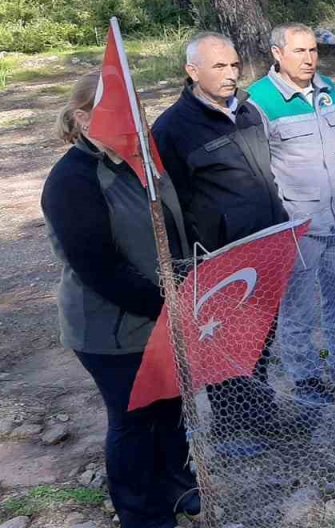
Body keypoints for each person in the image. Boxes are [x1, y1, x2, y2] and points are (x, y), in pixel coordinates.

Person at [42, 73, 200, 528]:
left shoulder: (143, 161)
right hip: (110, 328)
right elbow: (99, 268)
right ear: (82, 118)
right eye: (117, 113)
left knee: (170, 405)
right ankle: (140, 511)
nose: (132, 124)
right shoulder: (71, 180)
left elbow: (172, 228)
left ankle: (176, 483)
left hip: (162, 314)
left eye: (135, 113)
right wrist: (165, 304)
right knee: (134, 418)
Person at [152, 32, 290, 455]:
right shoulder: (173, 128)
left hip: (267, 242)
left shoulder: (247, 110)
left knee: (261, 335)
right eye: (219, 67)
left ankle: (260, 413)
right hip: (219, 256)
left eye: (234, 65)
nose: (231, 75)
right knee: (224, 343)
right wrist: (184, 265)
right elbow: (170, 204)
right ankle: (230, 431)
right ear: (192, 71)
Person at [245, 23, 335, 405]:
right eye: (299, 51)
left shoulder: (327, 90)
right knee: (297, 306)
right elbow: (258, 169)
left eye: (313, 50)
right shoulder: (258, 100)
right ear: (277, 54)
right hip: (296, 225)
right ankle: (306, 378)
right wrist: (275, 224)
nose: (309, 59)